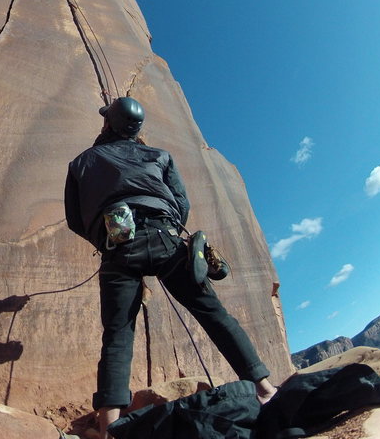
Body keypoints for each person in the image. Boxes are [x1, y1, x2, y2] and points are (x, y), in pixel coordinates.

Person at [64, 97, 277, 439]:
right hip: (165, 239)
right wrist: (167, 228)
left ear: (107, 124)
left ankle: (108, 429)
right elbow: (182, 203)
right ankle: (265, 389)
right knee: (212, 313)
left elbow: (75, 219)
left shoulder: (81, 163)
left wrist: (105, 241)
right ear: (137, 129)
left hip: (117, 247)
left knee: (117, 336)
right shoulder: (158, 156)